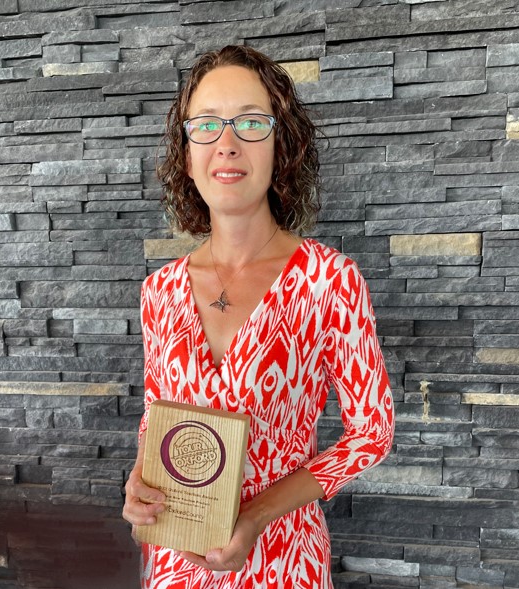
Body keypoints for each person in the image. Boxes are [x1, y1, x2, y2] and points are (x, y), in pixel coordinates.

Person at [122, 45, 395, 589]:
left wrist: (256, 515)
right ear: (187, 154)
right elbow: (157, 418)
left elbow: (372, 433)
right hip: (176, 566)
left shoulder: (328, 280)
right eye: (206, 125)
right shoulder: (160, 291)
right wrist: (140, 485)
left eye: (250, 123)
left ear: (280, 146)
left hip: (284, 564)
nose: (226, 143)